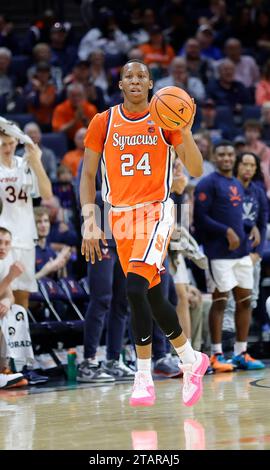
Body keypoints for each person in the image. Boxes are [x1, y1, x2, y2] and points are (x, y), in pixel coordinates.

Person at [80, 59, 209, 407]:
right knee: (150, 296)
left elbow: (195, 169)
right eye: (128, 76)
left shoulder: (166, 119)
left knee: (134, 288)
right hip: (119, 218)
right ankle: (189, 358)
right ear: (120, 84)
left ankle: (142, 375)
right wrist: (89, 220)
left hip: (157, 212)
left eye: (142, 76)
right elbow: (87, 174)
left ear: (151, 84)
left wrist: (187, 129)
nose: (135, 80)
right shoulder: (103, 121)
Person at [194, 141, 265, 372]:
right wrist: (225, 231)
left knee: (245, 300)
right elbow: (200, 218)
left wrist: (249, 227)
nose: (226, 158)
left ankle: (240, 352)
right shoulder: (207, 183)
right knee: (221, 301)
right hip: (218, 253)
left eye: (230, 154)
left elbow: (237, 216)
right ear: (214, 157)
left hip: (242, 252)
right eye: (222, 154)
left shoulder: (236, 183)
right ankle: (216, 354)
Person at [0, 122, 52, 309]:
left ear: (17, 141)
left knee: (22, 297)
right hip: (3, 240)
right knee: (2, 293)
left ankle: (20, 337)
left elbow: (47, 194)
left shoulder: (26, 165)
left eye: (11, 143)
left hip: (25, 238)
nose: (8, 148)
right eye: (3, 144)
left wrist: (36, 161)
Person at [222, 152, 268, 362]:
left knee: (251, 300)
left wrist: (258, 254)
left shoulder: (258, 192)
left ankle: (242, 351)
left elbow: (262, 223)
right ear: (237, 166)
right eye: (245, 164)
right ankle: (226, 351)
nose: (248, 169)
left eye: (252, 165)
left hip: (251, 256)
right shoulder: (229, 188)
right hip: (229, 254)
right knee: (229, 301)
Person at [0, 226, 48, 386]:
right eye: (0, 242)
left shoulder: (3, 263)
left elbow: (9, 295)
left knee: (18, 311)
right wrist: (10, 277)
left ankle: (14, 367)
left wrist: (7, 301)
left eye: (7, 243)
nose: (3, 247)